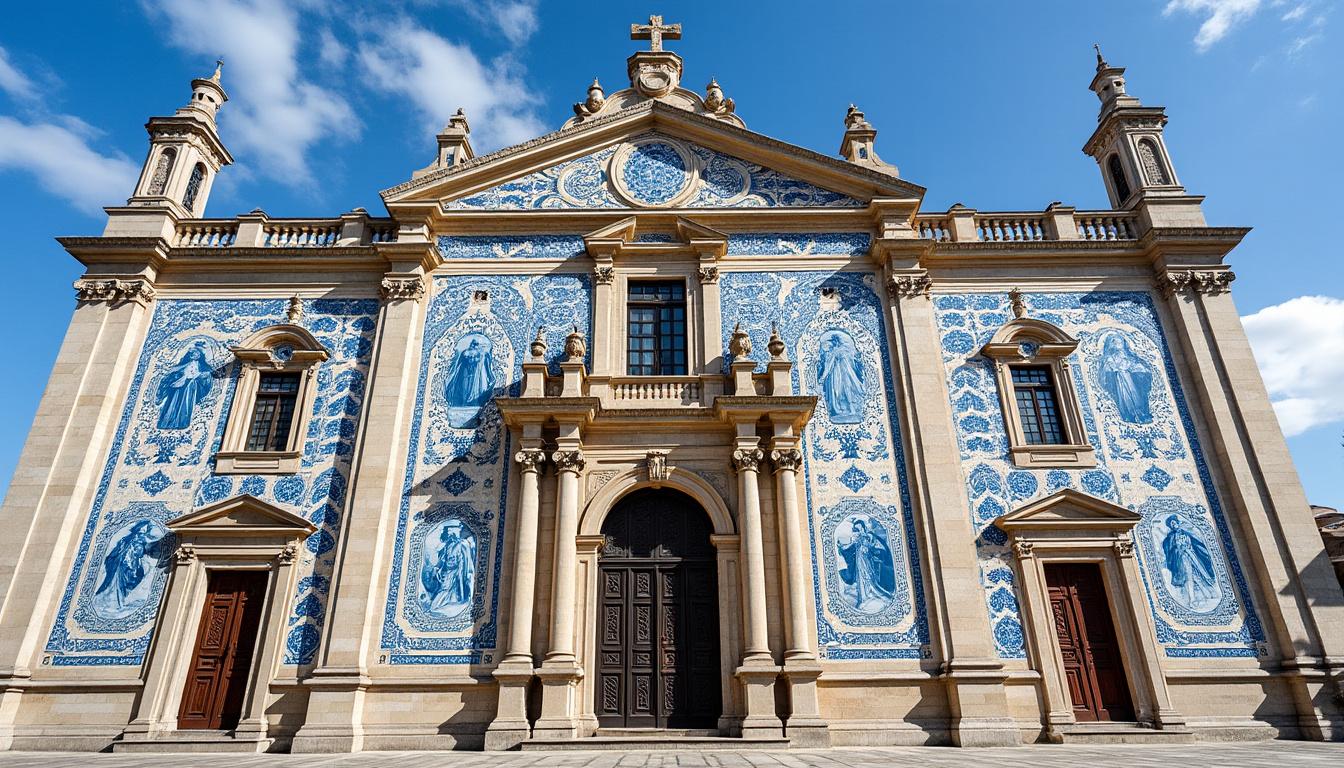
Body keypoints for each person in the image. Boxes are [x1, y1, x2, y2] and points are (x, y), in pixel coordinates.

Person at [93, 520, 162, 618]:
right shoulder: (127, 540)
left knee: (128, 582)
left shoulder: (139, 542)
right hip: (121, 566)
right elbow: (118, 553)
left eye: (144, 532)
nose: (142, 535)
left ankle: (120, 602)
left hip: (130, 565)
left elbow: (142, 552)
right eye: (140, 532)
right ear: (136, 531)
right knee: (117, 585)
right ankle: (116, 603)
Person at [838, 517, 896, 612]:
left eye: (860, 529)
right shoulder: (857, 539)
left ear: (864, 528)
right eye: (856, 529)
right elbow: (850, 547)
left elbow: (876, 547)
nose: (859, 531)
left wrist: (869, 548)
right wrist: (843, 547)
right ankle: (863, 599)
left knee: (869, 578)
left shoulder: (869, 536)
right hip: (859, 563)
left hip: (868, 563)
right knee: (861, 579)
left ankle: (873, 594)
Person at [1162, 514, 1218, 610]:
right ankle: (1192, 599)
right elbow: (1170, 550)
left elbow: (1196, 543)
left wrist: (1189, 548)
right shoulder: (1171, 537)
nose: (1174, 525)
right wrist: (1179, 549)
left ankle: (1208, 594)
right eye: (1172, 524)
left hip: (1193, 556)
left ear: (1178, 523)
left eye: (1175, 523)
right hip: (1182, 558)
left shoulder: (1186, 532)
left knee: (1197, 574)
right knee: (1189, 577)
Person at [421, 521, 475, 615]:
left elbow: (467, 561)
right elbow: (443, 559)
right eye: (447, 531)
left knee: (448, 591)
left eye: (450, 531)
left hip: (457, 573)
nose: (448, 533)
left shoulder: (463, 544)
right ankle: (436, 607)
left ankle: (440, 607)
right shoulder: (448, 545)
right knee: (444, 590)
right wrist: (436, 569)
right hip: (447, 573)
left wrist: (461, 573)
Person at [1098, 333, 1153, 424]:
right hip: (1121, 379)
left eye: (1120, 343)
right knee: (1125, 395)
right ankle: (1130, 414)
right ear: (1112, 345)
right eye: (1116, 343)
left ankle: (1141, 413)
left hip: (1128, 378)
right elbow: (1109, 367)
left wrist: (1138, 368)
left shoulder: (1127, 355)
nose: (1119, 345)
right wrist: (1116, 368)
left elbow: (1132, 364)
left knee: (1134, 393)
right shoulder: (1110, 357)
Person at [156, 343, 212, 429]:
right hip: (179, 386)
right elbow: (174, 372)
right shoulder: (184, 365)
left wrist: (199, 376)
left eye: (196, 353)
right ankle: (168, 423)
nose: (193, 355)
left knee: (184, 404)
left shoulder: (202, 367)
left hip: (190, 387)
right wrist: (179, 376)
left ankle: (181, 423)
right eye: (192, 353)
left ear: (200, 355)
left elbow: (205, 376)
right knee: (173, 404)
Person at [444, 336, 494, 427]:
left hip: (474, 376)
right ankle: (464, 404)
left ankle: (472, 403)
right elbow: (459, 366)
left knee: (473, 389)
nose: (475, 346)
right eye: (475, 344)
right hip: (466, 375)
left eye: (476, 345)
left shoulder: (479, 354)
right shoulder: (467, 353)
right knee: (466, 388)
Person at [818, 331, 865, 424]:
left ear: (836, 342)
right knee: (839, 392)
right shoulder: (838, 351)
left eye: (834, 342)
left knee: (843, 391)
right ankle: (842, 410)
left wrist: (823, 377)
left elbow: (853, 362)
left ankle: (849, 409)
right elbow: (829, 365)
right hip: (839, 374)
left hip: (842, 374)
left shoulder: (839, 351)